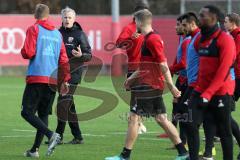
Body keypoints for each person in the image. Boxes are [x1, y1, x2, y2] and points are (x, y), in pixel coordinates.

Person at [105, 9, 189, 160]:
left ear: (139, 22)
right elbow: (146, 65)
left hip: (148, 85)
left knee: (134, 118)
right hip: (150, 83)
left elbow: (162, 63)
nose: (134, 24)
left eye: (135, 21)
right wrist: (131, 79)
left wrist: (171, 86)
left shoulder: (152, 39)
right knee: (161, 119)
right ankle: (183, 152)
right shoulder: (148, 39)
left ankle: (125, 155)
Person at [185, 5, 236, 160]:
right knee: (190, 123)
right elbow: (200, 66)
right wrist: (196, 89)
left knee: (224, 130)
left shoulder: (225, 39)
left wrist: (208, 93)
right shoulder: (199, 39)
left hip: (221, 92)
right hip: (201, 90)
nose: (199, 18)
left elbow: (223, 71)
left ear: (213, 18)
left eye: (203, 16)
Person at [20, 3, 70, 157]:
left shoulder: (34, 29)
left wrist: (23, 50)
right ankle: (34, 150)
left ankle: (51, 134)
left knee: (26, 112)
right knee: (43, 114)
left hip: (37, 77)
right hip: (52, 81)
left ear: (36, 14)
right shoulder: (57, 34)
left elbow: (28, 52)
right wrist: (65, 79)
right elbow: (63, 60)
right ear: (48, 15)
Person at [54, 7, 92, 144]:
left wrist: (82, 55)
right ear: (61, 18)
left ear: (74, 19)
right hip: (60, 74)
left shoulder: (80, 34)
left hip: (74, 74)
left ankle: (58, 136)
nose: (67, 20)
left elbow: (89, 55)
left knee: (62, 104)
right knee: (69, 106)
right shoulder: (57, 34)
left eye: (69, 17)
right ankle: (78, 136)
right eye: (65, 17)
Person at [116, 3, 148, 135]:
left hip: (147, 67)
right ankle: (135, 123)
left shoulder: (147, 28)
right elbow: (118, 43)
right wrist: (130, 38)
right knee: (135, 96)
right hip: (134, 66)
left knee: (145, 96)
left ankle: (138, 121)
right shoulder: (129, 28)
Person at [164, 15, 191, 145]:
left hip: (187, 79)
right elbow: (178, 57)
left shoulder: (188, 41)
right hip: (181, 78)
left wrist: (170, 68)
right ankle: (176, 136)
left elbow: (184, 63)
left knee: (184, 110)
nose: (176, 27)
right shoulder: (182, 38)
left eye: (178, 24)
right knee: (177, 104)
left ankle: (182, 140)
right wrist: (173, 70)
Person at [224, 13, 240, 160]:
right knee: (223, 112)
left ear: (233, 23)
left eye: (226, 21)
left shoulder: (237, 36)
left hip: (237, 78)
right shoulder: (231, 36)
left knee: (225, 112)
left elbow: (232, 56)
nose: (224, 24)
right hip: (234, 77)